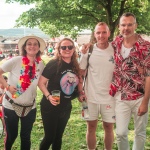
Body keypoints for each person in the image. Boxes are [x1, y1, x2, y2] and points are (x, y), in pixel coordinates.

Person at [109, 12, 150, 150]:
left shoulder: (146, 46)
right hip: (121, 96)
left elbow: (149, 76)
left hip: (140, 96)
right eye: (123, 25)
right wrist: (88, 48)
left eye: (130, 24)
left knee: (140, 132)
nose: (126, 28)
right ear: (119, 27)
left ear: (135, 26)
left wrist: (145, 102)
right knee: (120, 133)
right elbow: (101, 46)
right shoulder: (116, 43)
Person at [0, 35, 46, 150]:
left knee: (25, 137)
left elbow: (42, 83)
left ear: (39, 48)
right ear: (25, 47)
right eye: (29, 44)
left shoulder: (40, 64)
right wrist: (7, 86)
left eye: (35, 44)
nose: (32, 46)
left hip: (30, 106)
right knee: (12, 135)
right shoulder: (16, 61)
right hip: (10, 105)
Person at [38, 38, 80, 150]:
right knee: (50, 137)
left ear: (74, 49)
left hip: (66, 106)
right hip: (51, 106)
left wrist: (81, 93)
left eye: (70, 47)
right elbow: (41, 83)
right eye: (64, 47)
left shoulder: (75, 64)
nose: (67, 49)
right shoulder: (54, 64)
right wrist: (48, 96)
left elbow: (79, 80)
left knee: (58, 137)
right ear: (59, 49)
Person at [78, 22, 115, 150]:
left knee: (109, 127)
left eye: (104, 32)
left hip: (110, 97)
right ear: (94, 34)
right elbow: (81, 73)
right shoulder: (88, 50)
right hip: (90, 96)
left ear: (109, 33)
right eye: (98, 32)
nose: (101, 35)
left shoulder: (115, 49)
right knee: (91, 127)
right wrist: (80, 91)